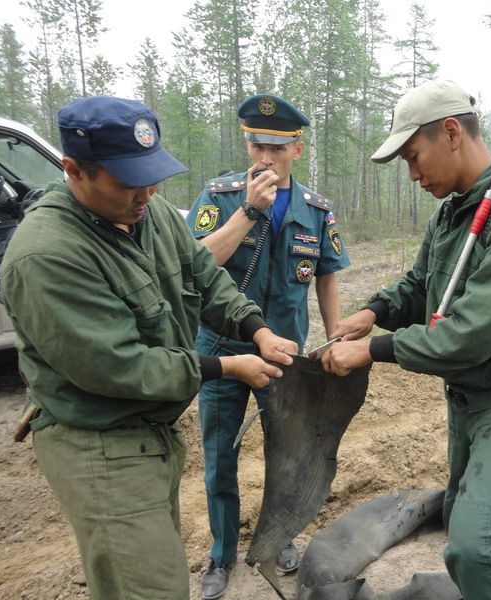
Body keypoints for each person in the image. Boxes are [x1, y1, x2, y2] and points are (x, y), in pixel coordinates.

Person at [0, 96, 298, 600]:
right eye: (127, 181)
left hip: (149, 435)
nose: (147, 192)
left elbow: (204, 276)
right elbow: (117, 365)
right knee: (150, 588)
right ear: (74, 170)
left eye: (152, 176)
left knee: (142, 577)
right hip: (98, 441)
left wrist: (256, 329)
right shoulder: (47, 254)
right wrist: (226, 365)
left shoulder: (148, 210)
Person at [320, 79, 491, 600]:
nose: (413, 174)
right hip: (470, 398)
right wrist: (374, 312)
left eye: (415, 157)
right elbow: (422, 284)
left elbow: (469, 335)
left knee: (478, 543)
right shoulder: (456, 208)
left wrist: (373, 349)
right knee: (468, 524)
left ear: (452, 132)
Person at [186, 93, 350, 599]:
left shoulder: (316, 210)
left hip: (286, 354)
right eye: (258, 145)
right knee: (220, 454)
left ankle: (280, 535)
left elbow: (325, 278)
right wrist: (250, 214)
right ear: (247, 144)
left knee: (290, 450)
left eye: (277, 149)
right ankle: (221, 554)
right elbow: (195, 265)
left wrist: (335, 336)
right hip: (223, 350)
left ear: (297, 150)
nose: (265, 158)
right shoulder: (220, 197)